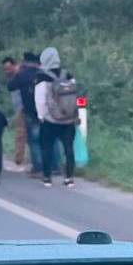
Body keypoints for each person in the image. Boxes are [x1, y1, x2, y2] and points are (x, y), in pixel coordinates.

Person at [8, 51, 61, 178]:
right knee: (51, 139)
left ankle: (39, 168)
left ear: (25, 61)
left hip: (32, 112)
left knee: (35, 141)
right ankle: (55, 167)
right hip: (49, 111)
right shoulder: (46, 73)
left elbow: (10, 86)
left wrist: (18, 72)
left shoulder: (22, 75)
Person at [35, 47, 78, 187]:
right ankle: (69, 178)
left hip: (50, 120)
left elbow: (40, 100)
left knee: (46, 148)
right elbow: (75, 96)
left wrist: (41, 116)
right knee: (68, 148)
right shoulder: (68, 75)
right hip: (68, 118)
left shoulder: (42, 77)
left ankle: (47, 177)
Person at [2, 56, 27, 166]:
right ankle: (20, 157)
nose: (7, 71)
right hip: (19, 107)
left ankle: (19, 158)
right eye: (5, 69)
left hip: (23, 108)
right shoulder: (13, 76)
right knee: (21, 133)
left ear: (14, 65)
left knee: (20, 133)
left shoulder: (19, 75)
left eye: (8, 68)